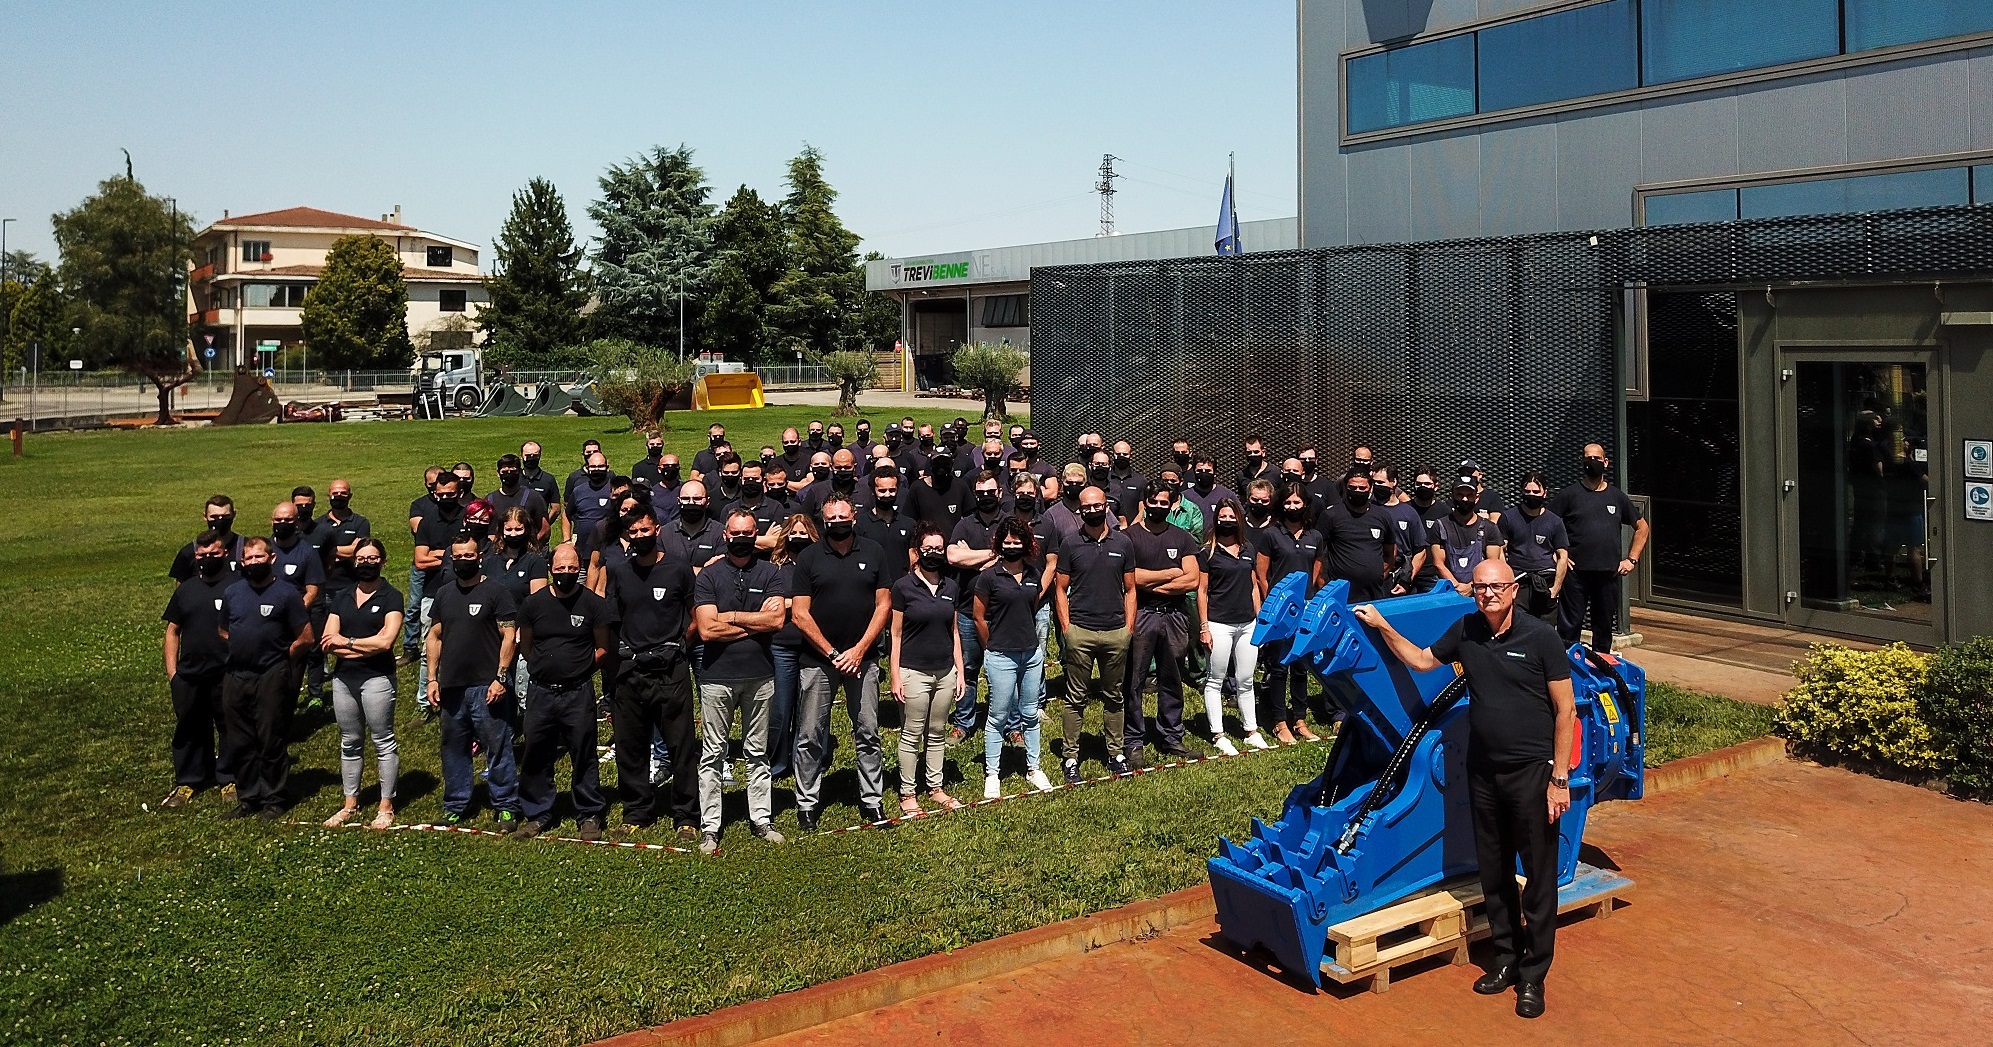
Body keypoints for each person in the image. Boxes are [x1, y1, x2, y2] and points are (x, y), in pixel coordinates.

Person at [1353, 559, 1575, 1020]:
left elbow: (1565, 710)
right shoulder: (1467, 631)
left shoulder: (1541, 638)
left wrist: (1558, 779)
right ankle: (1506, 959)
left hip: (1533, 774)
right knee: (1492, 871)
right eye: (1479, 587)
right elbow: (1420, 659)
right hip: (1483, 773)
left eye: (1496, 586)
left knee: (1537, 876)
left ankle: (1533, 976)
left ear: (1513, 589)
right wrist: (1382, 623)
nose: (1488, 594)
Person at [790, 495, 893, 830]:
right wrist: (833, 653)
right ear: (823, 519)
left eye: (843, 516)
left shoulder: (874, 552)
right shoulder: (808, 557)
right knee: (810, 733)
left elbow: (883, 606)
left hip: (863, 659)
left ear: (854, 516)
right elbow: (800, 614)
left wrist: (859, 650)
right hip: (819, 660)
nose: (837, 522)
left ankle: (872, 801)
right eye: (830, 517)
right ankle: (806, 803)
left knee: (867, 731)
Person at [691, 510, 788, 854]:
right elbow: (706, 629)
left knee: (757, 752)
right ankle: (710, 825)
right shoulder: (709, 576)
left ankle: (761, 819)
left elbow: (776, 620)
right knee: (713, 752)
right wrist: (754, 622)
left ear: (756, 533)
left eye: (749, 532)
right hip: (717, 677)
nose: (742, 537)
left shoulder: (770, 572)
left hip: (761, 674)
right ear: (726, 535)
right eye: (736, 532)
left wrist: (729, 617)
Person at [602, 509, 699, 837]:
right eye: (633, 530)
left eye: (645, 529)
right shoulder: (620, 571)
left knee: (681, 747)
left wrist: (676, 647)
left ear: (656, 529)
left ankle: (686, 816)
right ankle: (636, 813)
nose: (640, 534)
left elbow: (695, 615)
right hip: (630, 672)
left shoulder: (678, 568)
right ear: (627, 534)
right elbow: (613, 620)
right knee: (630, 747)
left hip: (671, 671)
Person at [513, 545, 612, 841]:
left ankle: (589, 813)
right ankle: (538, 812)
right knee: (536, 753)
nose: (566, 573)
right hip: (541, 692)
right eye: (560, 568)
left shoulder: (593, 605)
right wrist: (547, 668)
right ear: (550, 568)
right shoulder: (533, 605)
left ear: (578, 571)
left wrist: (578, 670)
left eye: (572, 569)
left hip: (577, 693)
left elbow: (603, 648)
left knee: (583, 753)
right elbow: (527, 648)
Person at [425, 534, 522, 828]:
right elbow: (435, 636)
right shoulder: (443, 594)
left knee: (498, 746)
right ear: (451, 559)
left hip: (486, 686)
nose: (463, 561)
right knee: (454, 747)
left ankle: (506, 806)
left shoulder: (497, 592)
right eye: (458, 557)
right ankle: (456, 804)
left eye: (468, 555)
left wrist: (500, 677)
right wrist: (431, 678)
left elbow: (509, 635)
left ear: (479, 557)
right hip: (452, 686)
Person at [219, 537, 314, 820]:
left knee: (270, 737)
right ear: (242, 562)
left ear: (271, 559)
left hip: (271, 674)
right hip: (236, 674)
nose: (254, 563)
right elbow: (223, 630)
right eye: (249, 559)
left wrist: (282, 657)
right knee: (239, 739)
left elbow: (305, 637)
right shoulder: (233, 592)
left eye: (259, 558)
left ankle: (274, 797)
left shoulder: (286, 594)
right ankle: (248, 796)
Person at [317, 538, 403, 830]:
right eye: (361, 558)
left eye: (372, 558)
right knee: (350, 742)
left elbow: (387, 641)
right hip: (344, 679)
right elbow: (328, 641)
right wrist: (357, 645)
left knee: (383, 740)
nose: (366, 563)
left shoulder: (392, 597)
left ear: (383, 562)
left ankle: (386, 805)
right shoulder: (342, 596)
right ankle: (350, 803)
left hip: (378, 678)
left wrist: (348, 641)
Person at [1053, 487, 1136, 783]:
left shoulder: (1123, 543)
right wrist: (1067, 629)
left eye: (1097, 505)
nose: (1091, 510)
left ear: (1106, 507)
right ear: (1080, 510)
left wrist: (1128, 628)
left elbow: (1131, 589)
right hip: (1081, 632)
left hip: (1116, 631)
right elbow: (1060, 588)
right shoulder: (1070, 543)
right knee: (1076, 698)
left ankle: (1115, 753)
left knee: (1114, 696)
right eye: (1086, 507)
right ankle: (1071, 757)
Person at [973, 517, 1058, 797]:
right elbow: (979, 617)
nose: (1012, 546)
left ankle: (1034, 768)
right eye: (1007, 542)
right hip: (1000, 656)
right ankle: (993, 773)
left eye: (1017, 542)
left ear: (1026, 544)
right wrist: (992, 647)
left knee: (1030, 713)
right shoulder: (988, 577)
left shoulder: (1034, 574)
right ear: (999, 544)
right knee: (998, 716)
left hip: (1031, 653)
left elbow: (1031, 607)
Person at [1122, 482, 1202, 764]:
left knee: (1173, 678)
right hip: (1141, 615)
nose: (1158, 507)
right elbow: (1130, 578)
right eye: (1153, 502)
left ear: (1172, 504)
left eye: (1164, 503)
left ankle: (1171, 736)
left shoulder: (1182, 537)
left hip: (1174, 617)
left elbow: (1192, 578)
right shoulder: (1128, 537)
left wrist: (1152, 583)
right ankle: (1133, 740)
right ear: (1145, 502)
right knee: (1135, 680)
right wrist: (1170, 573)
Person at [890, 526, 967, 815]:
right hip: (913, 671)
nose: (933, 554)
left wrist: (959, 670)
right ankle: (907, 793)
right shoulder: (903, 587)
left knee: (937, 731)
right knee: (911, 733)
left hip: (945, 671)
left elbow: (955, 632)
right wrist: (895, 675)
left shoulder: (951, 586)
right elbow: (895, 634)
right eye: (928, 548)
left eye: (939, 549)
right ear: (917, 551)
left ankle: (935, 787)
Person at [159, 530, 240, 808]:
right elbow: (173, 631)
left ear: (225, 554)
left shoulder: (237, 586)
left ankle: (228, 777)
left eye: (214, 554)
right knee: (189, 727)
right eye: (202, 555)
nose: (208, 559)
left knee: (229, 726)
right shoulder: (186, 589)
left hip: (226, 672)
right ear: (195, 557)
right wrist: (173, 674)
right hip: (190, 674)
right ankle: (188, 780)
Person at [1548, 443, 1648, 652]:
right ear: (1581, 462)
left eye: (1596, 458)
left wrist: (1631, 560)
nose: (1592, 462)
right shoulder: (1569, 495)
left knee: (1603, 627)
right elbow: (1546, 524)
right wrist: (1556, 555)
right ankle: (1568, 670)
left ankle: (1602, 669)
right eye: (1587, 458)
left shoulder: (1617, 497)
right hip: (1575, 574)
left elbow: (1642, 527)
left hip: (1607, 573)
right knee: (1569, 626)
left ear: (1606, 462)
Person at [1196, 499, 1271, 754]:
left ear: (1239, 519)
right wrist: (1204, 627)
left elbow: (1253, 586)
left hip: (1247, 623)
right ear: (1216, 519)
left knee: (1246, 680)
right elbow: (1202, 591)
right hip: (1218, 624)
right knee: (1215, 680)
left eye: (1232, 516)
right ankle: (1218, 734)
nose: (1227, 520)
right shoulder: (1207, 551)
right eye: (1223, 516)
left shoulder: (1248, 548)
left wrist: (1259, 619)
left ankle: (1251, 730)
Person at [1255, 483, 1324, 744]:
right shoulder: (1271, 535)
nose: (1292, 507)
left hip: (1304, 610)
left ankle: (1300, 720)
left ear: (1305, 504)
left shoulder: (1315, 537)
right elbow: (1262, 575)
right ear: (1280, 504)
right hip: (1279, 612)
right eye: (1288, 503)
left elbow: (1315, 573)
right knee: (1278, 667)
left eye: (1297, 503)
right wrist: (1268, 605)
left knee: (1300, 668)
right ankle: (1279, 722)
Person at [942, 470, 1007, 741]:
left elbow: (1018, 555)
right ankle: (963, 722)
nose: (985, 498)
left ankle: (1009, 725)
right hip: (968, 610)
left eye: (990, 493)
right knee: (968, 669)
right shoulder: (965, 523)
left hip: (1003, 612)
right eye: (980, 494)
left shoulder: (1010, 524)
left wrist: (973, 557)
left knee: (1004, 671)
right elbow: (953, 556)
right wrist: (994, 554)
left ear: (1000, 494)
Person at [765, 515, 818, 783]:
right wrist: (795, 605)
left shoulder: (818, 565)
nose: (798, 537)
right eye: (794, 533)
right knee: (781, 708)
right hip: (782, 647)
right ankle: (776, 763)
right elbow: (770, 607)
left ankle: (803, 762)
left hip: (812, 647)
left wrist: (789, 605)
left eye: (803, 532)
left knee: (808, 709)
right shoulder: (774, 569)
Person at [1499, 472, 1571, 625]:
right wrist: (1507, 580)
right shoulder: (1508, 517)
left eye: (1536, 492)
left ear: (1545, 493)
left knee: (1545, 631)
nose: (1531, 495)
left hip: (1545, 583)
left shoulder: (1555, 522)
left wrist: (1555, 589)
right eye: (1528, 491)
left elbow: (1562, 556)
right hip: (1518, 582)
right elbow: (1499, 549)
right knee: (1518, 627)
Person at [1316, 470, 1398, 603]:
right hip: (1339, 594)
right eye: (1352, 488)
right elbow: (1318, 553)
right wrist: (1321, 583)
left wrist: (1379, 574)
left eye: (1362, 488)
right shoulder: (1331, 515)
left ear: (1370, 489)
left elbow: (1390, 552)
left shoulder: (1382, 516)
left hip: (1373, 595)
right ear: (1345, 488)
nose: (1357, 491)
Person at [1433, 478, 1507, 594]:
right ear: (1452, 496)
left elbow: (1492, 563)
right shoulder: (1440, 526)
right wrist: (1456, 587)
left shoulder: (1490, 528)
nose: (1464, 499)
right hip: (1449, 592)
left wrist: (1472, 586)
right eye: (1460, 494)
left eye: (1469, 495)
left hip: (1481, 592)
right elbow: (1438, 563)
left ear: (1476, 498)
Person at [855, 468, 918, 582]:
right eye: (882, 491)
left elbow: (913, 559)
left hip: (901, 588)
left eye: (892, 490)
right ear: (873, 491)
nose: (887, 495)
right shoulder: (860, 524)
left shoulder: (909, 524)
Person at [169, 495, 245, 581]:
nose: (220, 520)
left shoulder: (247, 549)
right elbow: (183, 590)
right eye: (214, 517)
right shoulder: (188, 553)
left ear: (234, 515)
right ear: (205, 517)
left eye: (225, 516)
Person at [487, 454, 552, 549]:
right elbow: (488, 532)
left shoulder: (533, 497)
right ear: (498, 473)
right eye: (504, 471)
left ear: (520, 472)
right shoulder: (490, 500)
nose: (509, 474)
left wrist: (532, 546)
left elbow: (545, 529)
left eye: (513, 471)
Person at [664, 480, 724, 570]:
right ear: (678, 501)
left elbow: (719, 571)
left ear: (707, 502)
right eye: (685, 499)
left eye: (697, 499)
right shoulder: (664, 533)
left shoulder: (720, 533)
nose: (691, 503)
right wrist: (703, 570)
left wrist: (677, 571)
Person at [566, 452, 616, 558]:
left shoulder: (615, 490)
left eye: (600, 466)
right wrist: (567, 540)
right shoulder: (579, 490)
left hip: (609, 552)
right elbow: (566, 515)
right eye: (593, 467)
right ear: (587, 468)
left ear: (607, 468)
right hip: (582, 551)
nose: (596, 469)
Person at [517, 441, 565, 539]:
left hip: (540, 535)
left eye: (534, 455)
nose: (531, 458)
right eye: (528, 455)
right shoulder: (515, 479)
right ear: (521, 455)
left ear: (540, 456)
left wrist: (544, 526)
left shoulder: (548, 480)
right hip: (516, 531)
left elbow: (556, 508)